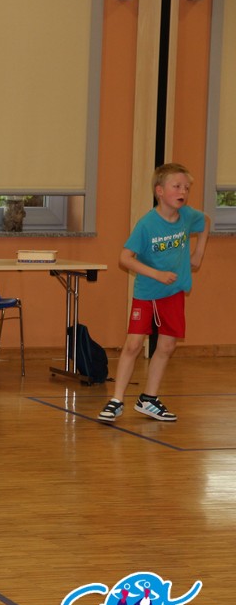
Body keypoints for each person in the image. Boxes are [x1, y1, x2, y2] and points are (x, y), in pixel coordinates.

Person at [98, 163, 209, 423]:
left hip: (174, 293)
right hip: (147, 293)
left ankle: (149, 399)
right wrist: (156, 274)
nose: (183, 192)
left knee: (167, 346)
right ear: (159, 191)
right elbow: (125, 258)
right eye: (177, 186)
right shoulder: (147, 224)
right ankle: (116, 400)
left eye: (186, 188)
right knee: (134, 344)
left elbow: (205, 221)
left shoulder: (187, 216)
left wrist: (198, 253)